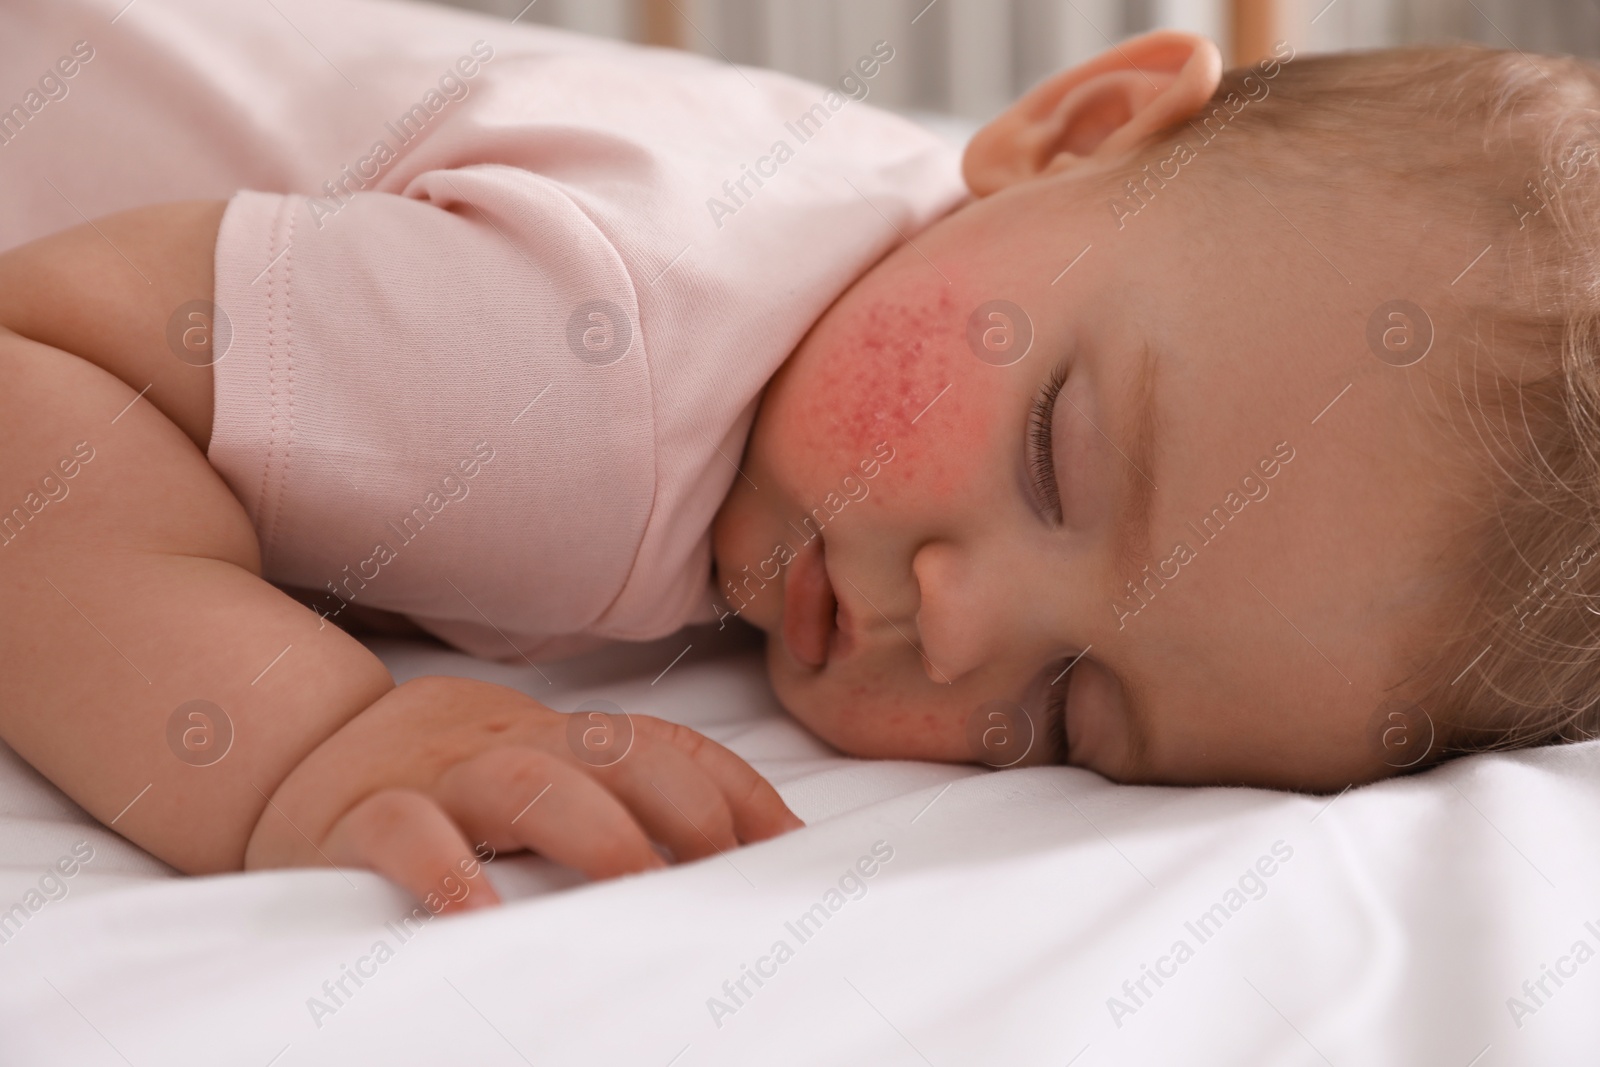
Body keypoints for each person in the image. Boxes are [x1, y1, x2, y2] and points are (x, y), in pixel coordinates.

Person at [1, 0, 1594, 914]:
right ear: (1079, 125)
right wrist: (296, 748)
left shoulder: (970, 235)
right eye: (1055, 459)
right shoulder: (582, 372)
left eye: (1067, 711)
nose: (966, 632)